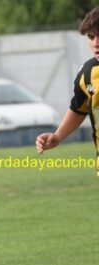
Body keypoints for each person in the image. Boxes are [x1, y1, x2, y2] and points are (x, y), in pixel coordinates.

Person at [36, 5, 99, 168]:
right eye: (91, 37)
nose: (96, 43)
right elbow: (78, 108)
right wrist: (58, 136)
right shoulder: (87, 74)